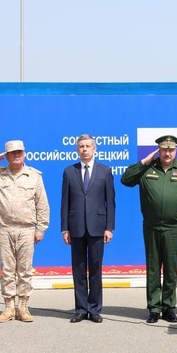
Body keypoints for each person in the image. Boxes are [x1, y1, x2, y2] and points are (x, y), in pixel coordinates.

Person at [0, 140, 50, 323]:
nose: (16, 155)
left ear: (25, 153)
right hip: (5, 229)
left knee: (25, 270)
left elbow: (42, 204)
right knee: (7, 269)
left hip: (26, 229)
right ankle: (8, 308)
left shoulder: (34, 176)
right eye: (12, 153)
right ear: (6, 156)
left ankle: (23, 307)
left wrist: (41, 228)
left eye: (19, 151)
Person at [121, 135, 177, 324]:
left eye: (171, 150)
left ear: (176, 151)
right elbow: (125, 179)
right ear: (158, 150)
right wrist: (143, 162)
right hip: (152, 227)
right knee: (153, 269)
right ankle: (154, 308)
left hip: (174, 228)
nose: (167, 153)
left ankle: (169, 308)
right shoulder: (147, 168)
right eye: (164, 150)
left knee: (171, 270)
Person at [60, 134, 115, 323]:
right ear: (77, 149)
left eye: (87, 146)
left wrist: (109, 227)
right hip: (75, 228)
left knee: (96, 268)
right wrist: (64, 228)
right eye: (81, 146)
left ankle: (95, 309)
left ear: (94, 149)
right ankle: (81, 309)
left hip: (98, 227)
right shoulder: (69, 172)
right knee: (79, 269)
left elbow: (110, 202)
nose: (84, 149)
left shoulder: (105, 171)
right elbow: (64, 202)